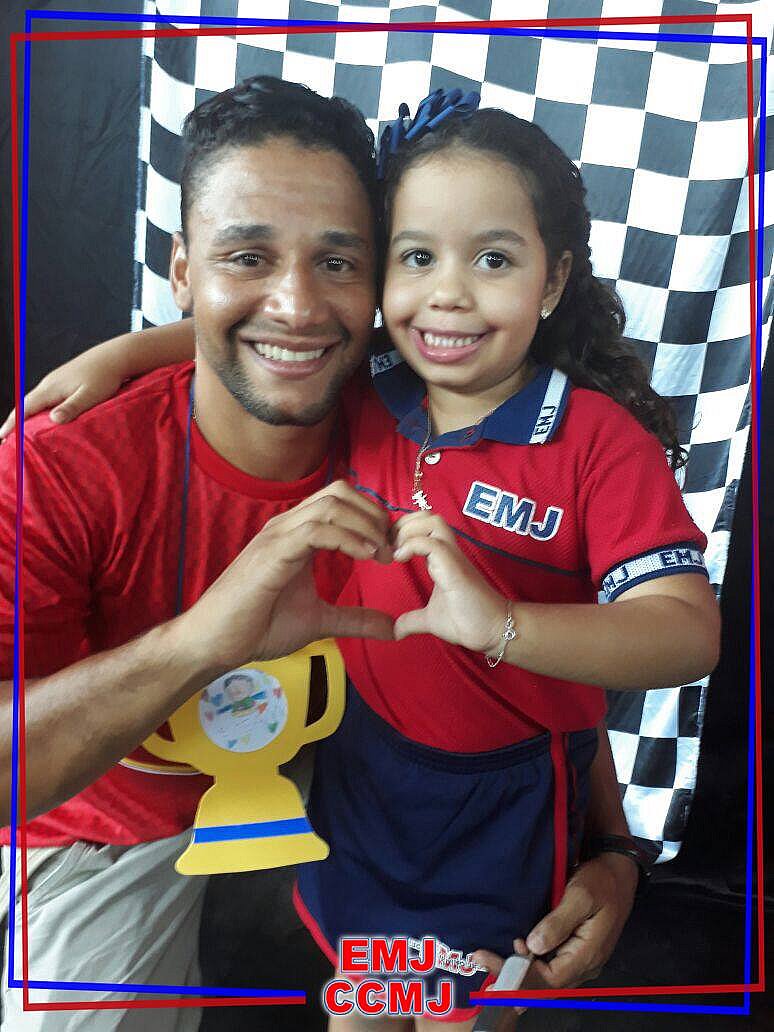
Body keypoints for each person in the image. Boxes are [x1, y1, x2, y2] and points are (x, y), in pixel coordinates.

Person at [0, 78, 679, 1029]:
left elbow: (528, 631)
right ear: (183, 268)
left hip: (356, 794)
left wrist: (609, 847)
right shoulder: (55, 465)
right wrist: (201, 640)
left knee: (452, 995)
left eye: (338, 262)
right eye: (247, 256)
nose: (296, 305)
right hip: (114, 830)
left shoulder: (406, 402)